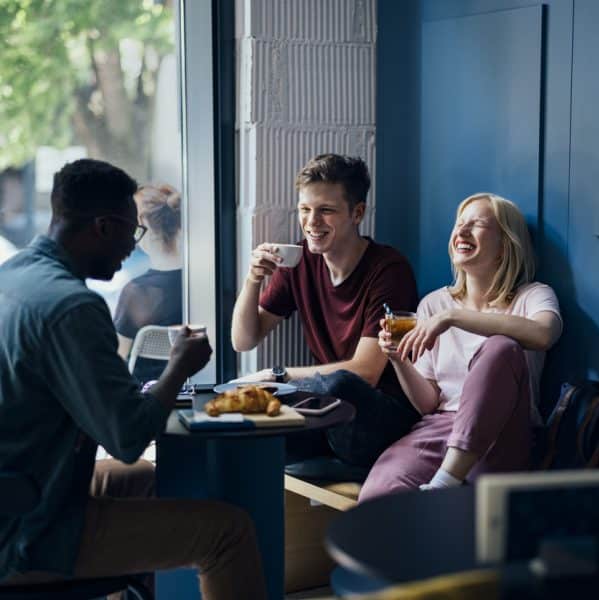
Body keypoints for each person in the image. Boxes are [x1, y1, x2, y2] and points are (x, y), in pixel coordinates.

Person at [0, 159, 267, 599]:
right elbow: (127, 438)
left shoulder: (15, 277)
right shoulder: (73, 308)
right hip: (29, 532)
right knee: (229, 532)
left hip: (25, 486)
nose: (133, 246)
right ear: (103, 227)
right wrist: (179, 366)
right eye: (131, 230)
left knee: (148, 480)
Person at [359, 193, 562, 500]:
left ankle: (446, 481)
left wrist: (455, 318)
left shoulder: (533, 295)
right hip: (440, 428)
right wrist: (397, 358)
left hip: (504, 433)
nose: (462, 231)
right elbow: (428, 403)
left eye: (477, 224)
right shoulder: (434, 304)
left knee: (501, 348)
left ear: (506, 245)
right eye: (459, 224)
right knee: (378, 497)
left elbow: (544, 334)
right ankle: (441, 487)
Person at [231, 153, 420, 467]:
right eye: (304, 210)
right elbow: (243, 340)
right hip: (327, 410)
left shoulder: (389, 270)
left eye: (326, 211)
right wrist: (253, 278)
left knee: (340, 384)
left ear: (357, 213)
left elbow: (366, 373)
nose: (312, 222)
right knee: (247, 413)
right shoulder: (300, 259)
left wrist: (277, 376)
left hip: (379, 414)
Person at [114, 183, 183, 383]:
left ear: (143, 228)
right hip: (196, 388)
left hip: (149, 394)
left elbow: (116, 359)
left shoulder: (136, 292)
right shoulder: (203, 286)